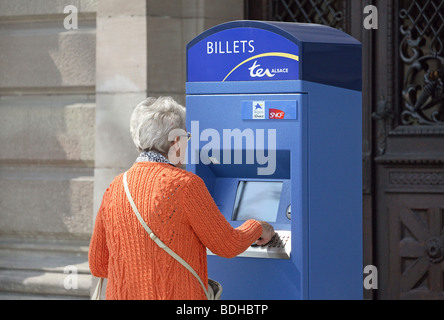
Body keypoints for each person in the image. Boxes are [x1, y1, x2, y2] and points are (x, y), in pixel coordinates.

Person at [88, 96, 275, 300]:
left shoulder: (115, 187)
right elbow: (228, 245)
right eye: (187, 136)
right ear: (176, 141)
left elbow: (98, 264)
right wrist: (258, 226)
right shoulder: (185, 185)